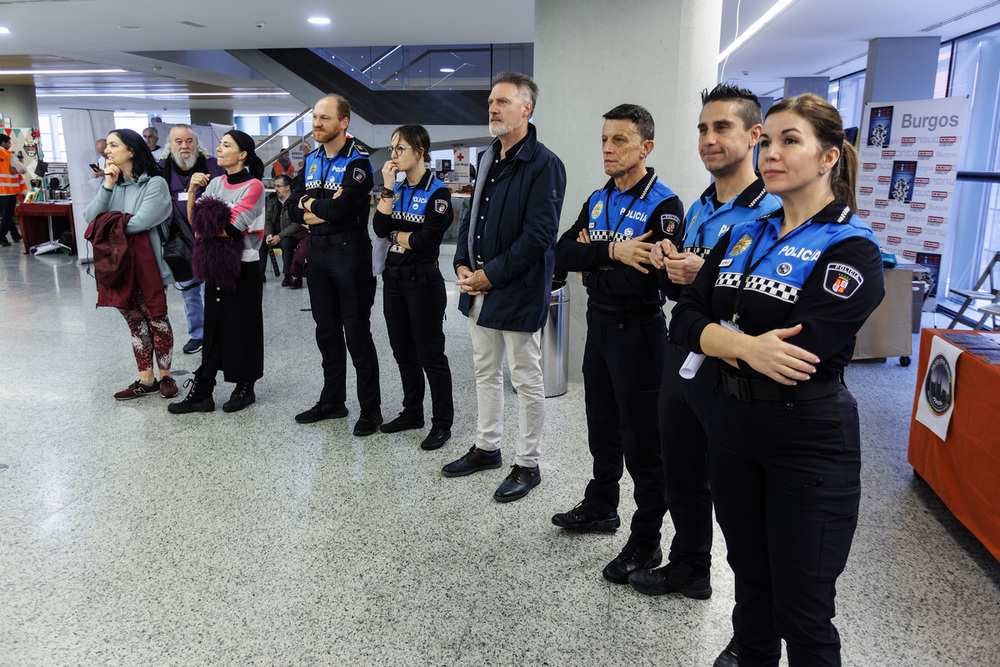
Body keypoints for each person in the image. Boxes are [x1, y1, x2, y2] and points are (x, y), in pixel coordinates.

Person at [669, 93, 885, 667]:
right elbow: (683, 317)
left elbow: (798, 355)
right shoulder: (743, 234)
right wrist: (740, 345)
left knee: (804, 607)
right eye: (768, 140)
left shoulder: (852, 248)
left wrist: (714, 336)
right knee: (751, 580)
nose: (771, 152)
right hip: (733, 430)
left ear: (828, 157)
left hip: (808, 442)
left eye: (791, 141)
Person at [631, 84, 781, 667]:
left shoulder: (772, 210)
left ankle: (753, 633)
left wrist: (708, 279)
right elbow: (681, 291)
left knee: (741, 502)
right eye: (701, 129)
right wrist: (672, 269)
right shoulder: (698, 206)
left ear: (753, 136)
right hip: (682, 352)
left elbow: (773, 299)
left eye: (722, 128)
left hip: (736, 366)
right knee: (680, 469)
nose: (709, 140)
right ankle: (691, 566)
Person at [551, 104, 683, 581]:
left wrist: (595, 266)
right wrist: (611, 252)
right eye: (605, 139)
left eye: (620, 140)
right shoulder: (600, 196)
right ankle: (601, 505)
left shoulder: (665, 205)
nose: (608, 148)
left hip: (640, 332)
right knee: (602, 427)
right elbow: (562, 252)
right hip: (600, 329)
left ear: (645, 147)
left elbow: (643, 281)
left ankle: (647, 540)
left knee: (643, 443)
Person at [443, 72, 566, 502]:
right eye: (491, 101)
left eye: (503, 102)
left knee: (526, 377)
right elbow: (471, 217)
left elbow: (538, 236)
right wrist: (461, 262)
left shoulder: (544, 164)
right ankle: (486, 446)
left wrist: (490, 274)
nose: (493, 108)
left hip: (515, 288)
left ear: (526, 109)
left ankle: (528, 464)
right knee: (484, 371)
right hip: (477, 286)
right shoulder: (487, 156)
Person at [291, 95, 382, 436]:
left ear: (343, 122)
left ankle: (370, 410)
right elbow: (290, 209)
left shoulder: (358, 162)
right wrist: (316, 209)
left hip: (350, 254)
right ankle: (333, 401)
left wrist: (310, 207)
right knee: (326, 332)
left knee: (356, 334)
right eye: (315, 117)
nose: (317, 123)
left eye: (324, 118)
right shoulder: (311, 159)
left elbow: (344, 210)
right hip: (318, 254)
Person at [168, 130, 266, 414]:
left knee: (243, 327)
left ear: (243, 154)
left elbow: (233, 229)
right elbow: (196, 225)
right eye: (220, 144)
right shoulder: (214, 184)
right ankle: (203, 390)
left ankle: (245, 387)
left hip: (243, 266)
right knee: (213, 329)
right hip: (213, 265)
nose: (219, 150)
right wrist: (192, 194)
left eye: (226, 145)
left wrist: (210, 222)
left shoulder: (254, 185)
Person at [372, 124, 454, 452]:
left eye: (400, 148)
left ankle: (442, 422)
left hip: (424, 283)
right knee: (402, 351)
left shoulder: (438, 193)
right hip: (393, 281)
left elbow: (428, 240)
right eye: (392, 148)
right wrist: (387, 190)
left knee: (430, 354)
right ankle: (412, 412)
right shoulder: (398, 189)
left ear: (420, 152)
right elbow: (380, 227)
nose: (394, 155)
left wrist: (398, 236)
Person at [83, 129, 177, 400]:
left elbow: (141, 222)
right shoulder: (113, 184)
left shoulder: (154, 184)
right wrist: (108, 185)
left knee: (157, 320)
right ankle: (145, 380)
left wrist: (108, 222)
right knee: (136, 324)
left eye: (113, 145)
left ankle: (166, 376)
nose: (107, 151)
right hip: (118, 267)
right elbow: (91, 218)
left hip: (149, 267)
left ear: (132, 151)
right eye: (107, 146)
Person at [158, 124, 225, 355]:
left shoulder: (213, 166)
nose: (184, 146)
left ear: (196, 143)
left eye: (189, 141)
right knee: (188, 290)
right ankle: (198, 334)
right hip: (179, 241)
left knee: (216, 291)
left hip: (212, 238)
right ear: (170, 145)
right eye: (178, 141)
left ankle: (219, 333)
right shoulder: (161, 169)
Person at [262, 174, 306, 286]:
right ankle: (260, 275)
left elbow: (297, 224)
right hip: (275, 234)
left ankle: (288, 276)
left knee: (286, 243)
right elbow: (267, 220)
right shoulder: (272, 202)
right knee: (261, 242)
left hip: (293, 235)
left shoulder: (296, 202)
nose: (275, 189)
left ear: (287, 187)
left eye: (278, 186)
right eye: (275, 186)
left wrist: (280, 236)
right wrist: (269, 234)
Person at [0, 134, 28, 246]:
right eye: (9, 143)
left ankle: (15, 236)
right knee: (8, 215)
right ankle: (1, 237)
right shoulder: (8, 155)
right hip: (8, 190)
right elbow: (22, 169)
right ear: (3, 143)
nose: (10, 145)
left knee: (5, 215)